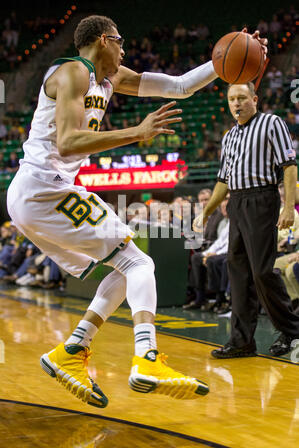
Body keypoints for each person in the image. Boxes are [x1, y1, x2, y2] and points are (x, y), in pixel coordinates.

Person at [6, 15, 266, 408]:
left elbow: (177, 88)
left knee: (128, 266)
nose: (126, 49)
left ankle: (72, 352)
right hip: (44, 188)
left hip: (43, 192)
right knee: (140, 265)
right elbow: (69, 141)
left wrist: (223, 62)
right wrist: (138, 132)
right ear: (103, 40)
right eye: (121, 41)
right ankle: (146, 358)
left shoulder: (110, 79)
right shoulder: (74, 72)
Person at [193, 81, 299, 358]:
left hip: (262, 199)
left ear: (254, 98)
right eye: (231, 99)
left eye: (242, 97)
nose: (236, 103)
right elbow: (222, 182)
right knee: (237, 272)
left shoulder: (272, 123)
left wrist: (288, 207)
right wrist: (204, 213)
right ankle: (242, 341)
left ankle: (292, 330)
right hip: (237, 201)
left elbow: (289, 166)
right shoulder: (228, 137)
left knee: (262, 271)